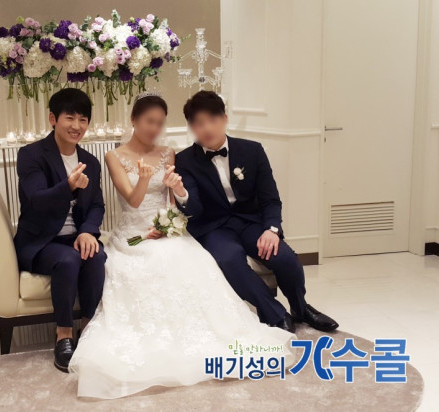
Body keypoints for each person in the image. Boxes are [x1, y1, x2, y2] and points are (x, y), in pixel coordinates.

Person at [67, 92, 297, 399]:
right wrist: (143, 179)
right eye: (149, 121)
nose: (154, 128)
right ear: (134, 120)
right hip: (133, 234)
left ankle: (279, 314)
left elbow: (175, 204)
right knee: (155, 263)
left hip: (165, 229)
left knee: (191, 259)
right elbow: (132, 201)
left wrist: (168, 222)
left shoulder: (168, 153)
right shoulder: (114, 155)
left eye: (160, 123)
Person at [174, 90, 339, 333]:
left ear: (225, 119)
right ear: (191, 128)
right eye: (198, 123)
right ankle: (274, 312)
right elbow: (195, 210)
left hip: (250, 222)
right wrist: (181, 193)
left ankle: (301, 308)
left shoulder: (252, 151)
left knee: (286, 258)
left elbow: (270, 198)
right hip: (214, 227)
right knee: (229, 260)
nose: (206, 128)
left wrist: (272, 229)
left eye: (212, 119)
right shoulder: (184, 160)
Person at [13, 88, 106, 373]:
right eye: (70, 118)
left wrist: (88, 231)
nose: (77, 126)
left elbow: (97, 205)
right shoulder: (31, 155)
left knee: (97, 256)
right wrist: (68, 187)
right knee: (68, 260)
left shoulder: (90, 161)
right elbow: (36, 199)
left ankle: (87, 328)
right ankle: (63, 334)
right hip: (41, 241)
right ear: (53, 119)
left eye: (83, 119)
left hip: (75, 236)